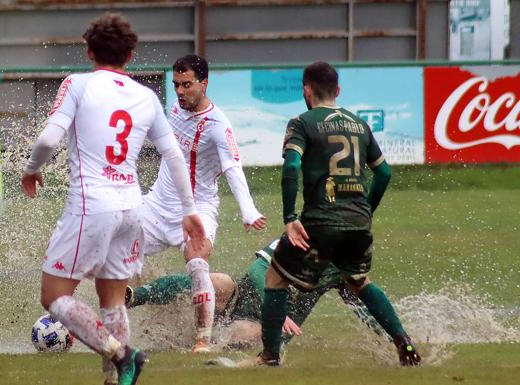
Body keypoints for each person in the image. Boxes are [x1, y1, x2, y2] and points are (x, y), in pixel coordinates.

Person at [20, 13, 205, 385]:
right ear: (131, 55)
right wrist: (189, 210)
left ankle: (122, 355)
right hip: (131, 206)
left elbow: (46, 140)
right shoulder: (146, 96)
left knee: (54, 296)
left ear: (89, 51)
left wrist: (31, 168)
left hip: (92, 205)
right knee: (113, 300)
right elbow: (173, 155)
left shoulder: (78, 84)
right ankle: (116, 378)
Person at [257, 61, 421, 367]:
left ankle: (269, 356)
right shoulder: (359, 124)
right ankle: (404, 342)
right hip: (358, 222)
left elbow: (291, 167)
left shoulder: (301, 122)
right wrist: (366, 210)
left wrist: (290, 217)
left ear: (306, 90)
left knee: (275, 277)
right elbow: (383, 173)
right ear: (338, 90)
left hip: (319, 221)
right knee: (359, 280)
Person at [141, 54, 266, 353]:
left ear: (204, 83)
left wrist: (248, 210)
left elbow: (233, 167)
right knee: (116, 247)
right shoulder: (174, 108)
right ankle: (123, 311)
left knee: (197, 263)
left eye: (187, 85)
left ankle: (203, 339)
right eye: (176, 85)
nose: (181, 91)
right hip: (158, 204)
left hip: (198, 208)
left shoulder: (218, 125)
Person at [125, 239, 391, 348]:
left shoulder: (342, 270)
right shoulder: (299, 236)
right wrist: (276, 307)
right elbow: (257, 268)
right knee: (216, 282)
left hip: (265, 324)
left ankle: (196, 347)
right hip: (241, 297)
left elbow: (362, 306)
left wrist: (394, 336)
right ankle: (136, 295)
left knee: (243, 333)